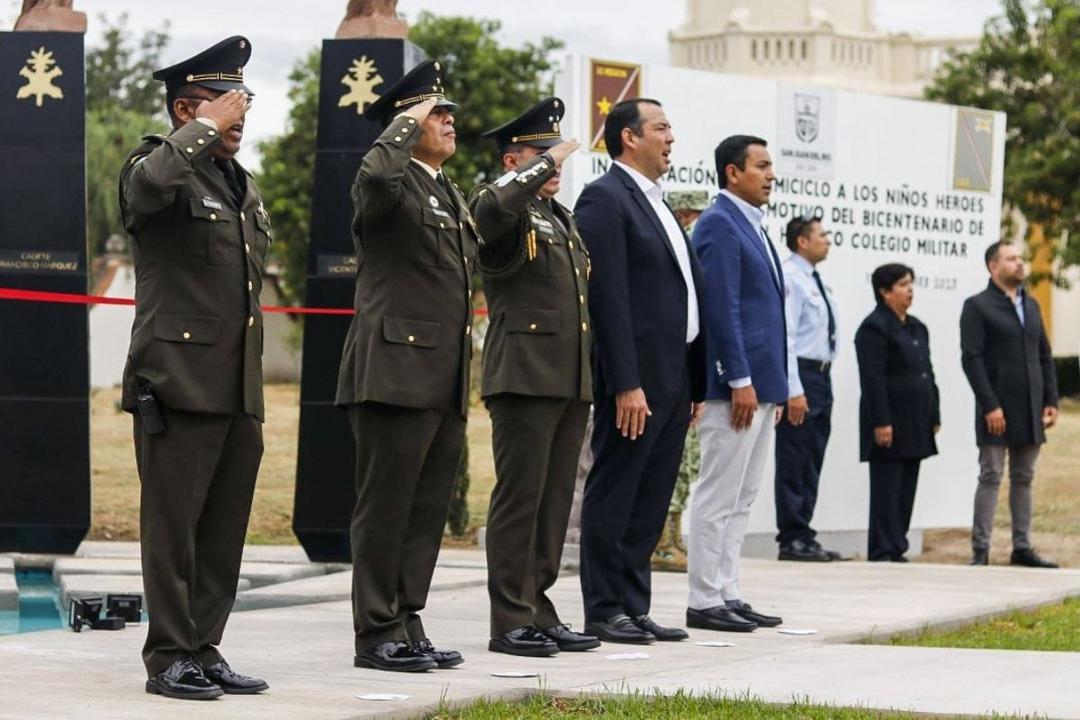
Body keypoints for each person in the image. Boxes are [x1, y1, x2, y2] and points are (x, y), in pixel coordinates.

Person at [120, 36, 269, 700]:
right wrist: (199, 132)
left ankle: (204, 646)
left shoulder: (240, 184)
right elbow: (147, 190)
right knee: (173, 530)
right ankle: (169, 655)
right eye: (226, 103)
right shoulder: (157, 166)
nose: (239, 115)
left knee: (222, 532)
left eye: (244, 103)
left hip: (237, 384)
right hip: (177, 381)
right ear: (186, 107)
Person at [335, 59, 479, 673]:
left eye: (446, 111)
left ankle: (407, 617)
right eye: (433, 112)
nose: (447, 121)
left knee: (426, 507)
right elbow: (373, 183)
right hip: (393, 369)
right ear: (406, 122)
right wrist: (400, 125)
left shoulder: (446, 190)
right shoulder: (388, 183)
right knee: (387, 505)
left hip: (442, 375)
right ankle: (375, 631)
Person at [470, 98, 599, 656]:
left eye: (556, 155)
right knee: (521, 499)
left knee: (552, 503)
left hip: (568, 378)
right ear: (512, 162)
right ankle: (509, 618)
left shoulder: (558, 219)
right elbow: (491, 208)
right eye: (540, 155)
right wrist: (543, 165)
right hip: (523, 376)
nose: (555, 165)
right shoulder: (503, 209)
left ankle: (538, 606)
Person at [574, 98, 706, 645]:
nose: (671, 137)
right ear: (629, 138)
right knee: (617, 489)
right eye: (661, 127)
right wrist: (625, 381)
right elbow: (609, 298)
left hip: (674, 377)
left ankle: (634, 602)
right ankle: (604, 608)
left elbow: (684, 296)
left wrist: (696, 381)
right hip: (636, 381)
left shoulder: (658, 203)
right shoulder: (605, 199)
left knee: (651, 495)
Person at [687, 135, 785, 633]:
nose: (771, 174)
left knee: (743, 497)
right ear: (732, 172)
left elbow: (767, 314)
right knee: (718, 494)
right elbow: (720, 309)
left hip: (764, 386)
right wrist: (739, 377)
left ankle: (728, 590)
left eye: (771, 166)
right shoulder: (720, 224)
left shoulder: (756, 226)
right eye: (761, 166)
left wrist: (779, 385)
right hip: (734, 388)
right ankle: (704, 598)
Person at [960, 242, 1059, 568]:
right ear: (993, 266)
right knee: (991, 475)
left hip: (1030, 408)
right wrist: (990, 405)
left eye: (1020, 258)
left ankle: (1022, 547)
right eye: (1011, 259)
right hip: (997, 409)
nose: (1019, 264)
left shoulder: (1031, 305)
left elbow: (1043, 356)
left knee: (1024, 478)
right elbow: (971, 359)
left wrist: (1051, 400)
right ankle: (980, 551)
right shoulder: (977, 306)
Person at [854, 263, 940, 562]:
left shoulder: (917, 326)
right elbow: (872, 380)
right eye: (903, 285)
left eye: (911, 284)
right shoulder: (873, 327)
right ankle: (883, 549)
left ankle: (897, 545)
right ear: (885, 291)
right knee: (887, 489)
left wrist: (934, 413)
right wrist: (881, 421)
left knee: (906, 486)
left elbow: (927, 371)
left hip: (916, 419)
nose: (910, 290)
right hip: (889, 419)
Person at [775, 215, 842, 562]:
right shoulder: (791, 277)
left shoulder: (815, 280)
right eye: (822, 235)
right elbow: (786, 336)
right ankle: (791, 536)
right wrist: (793, 389)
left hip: (821, 376)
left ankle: (805, 532)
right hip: (801, 373)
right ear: (802, 241)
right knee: (795, 456)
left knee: (812, 456)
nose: (827, 240)